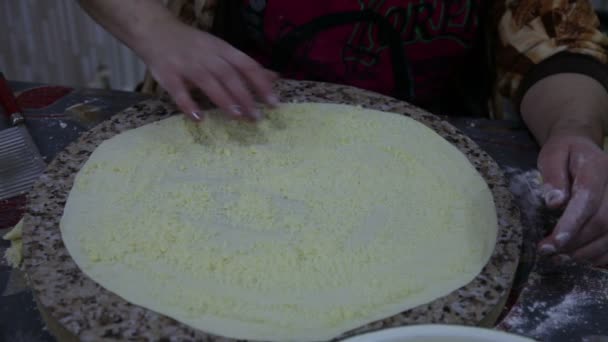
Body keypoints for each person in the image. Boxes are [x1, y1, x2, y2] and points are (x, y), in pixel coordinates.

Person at [78, 0, 608, 266]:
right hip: (216, 138)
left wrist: (575, 129)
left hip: (421, 174)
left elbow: (558, 39)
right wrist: (158, 30)